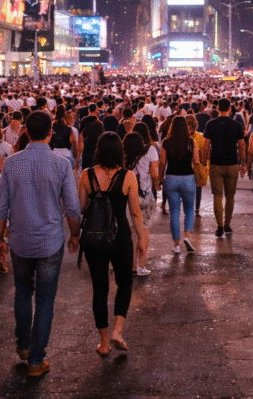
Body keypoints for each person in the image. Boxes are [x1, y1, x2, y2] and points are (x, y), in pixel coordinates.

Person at [0, 110, 81, 377]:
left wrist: (0, 238)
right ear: (51, 134)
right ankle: (36, 360)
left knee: (22, 292)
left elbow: (1, 207)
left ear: (25, 133)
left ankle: (23, 345)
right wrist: (75, 234)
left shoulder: (11, 163)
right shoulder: (61, 164)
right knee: (44, 300)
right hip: (50, 240)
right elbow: (73, 207)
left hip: (19, 239)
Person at [77, 132, 146, 356]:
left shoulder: (87, 175)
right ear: (119, 151)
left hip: (94, 239)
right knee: (125, 283)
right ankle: (118, 330)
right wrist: (141, 238)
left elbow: (80, 208)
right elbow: (135, 211)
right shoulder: (128, 177)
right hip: (121, 238)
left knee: (100, 289)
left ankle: (104, 342)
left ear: (98, 150)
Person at [203, 98, 246, 238]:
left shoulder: (210, 124)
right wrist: (243, 162)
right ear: (229, 109)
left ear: (217, 109)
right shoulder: (236, 124)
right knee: (230, 196)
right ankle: (227, 224)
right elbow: (242, 145)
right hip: (232, 163)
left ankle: (219, 225)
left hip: (216, 163)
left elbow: (206, 145)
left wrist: (203, 161)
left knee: (217, 195)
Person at [159, 115, 199, 252]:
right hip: (188, 178)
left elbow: (162, 163)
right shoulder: (191, 142)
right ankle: (187, 235)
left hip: (171, 178)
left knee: (174, 211)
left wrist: (160, 178)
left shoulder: (166, 142)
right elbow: (196, 161)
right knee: (189, 209)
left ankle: (176, 245)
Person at [122, 131, 157, 276]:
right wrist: (157, 183)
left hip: (128, 199)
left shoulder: (123, 154)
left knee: (130, 233)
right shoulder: (151, 150)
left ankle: (131, 267)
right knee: (145, 231)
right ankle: (141, 266)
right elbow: (154, 173)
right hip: (146, 195)